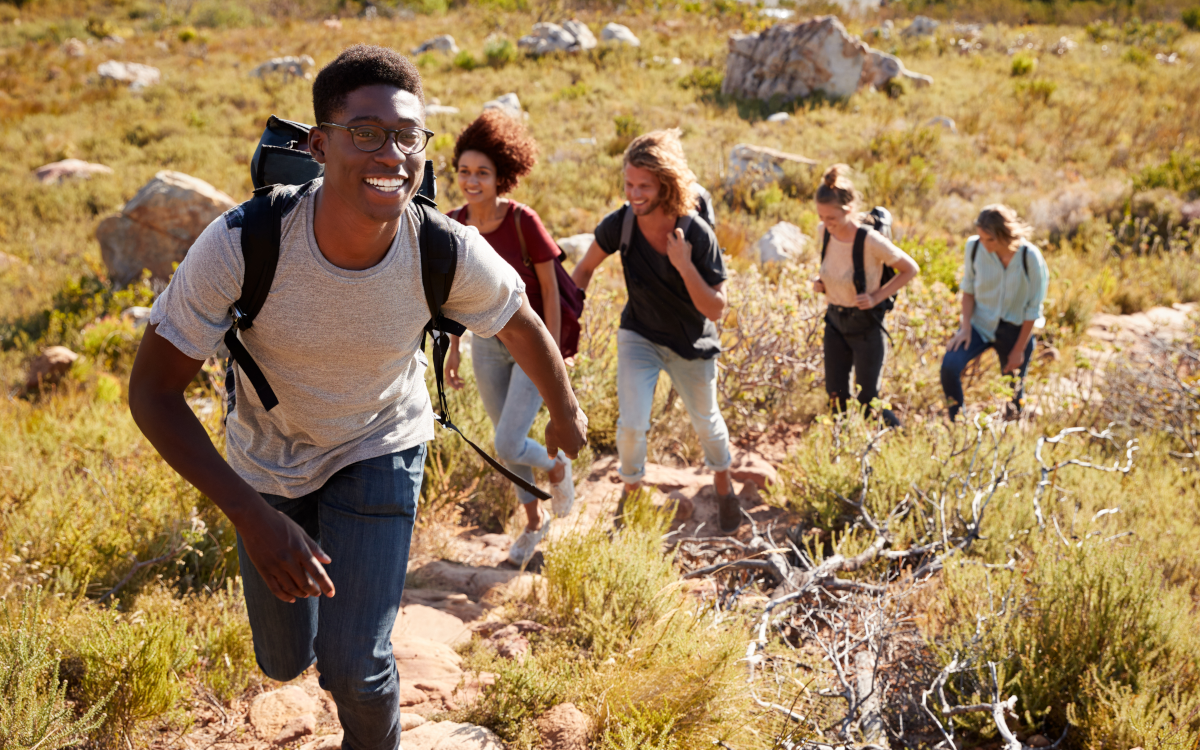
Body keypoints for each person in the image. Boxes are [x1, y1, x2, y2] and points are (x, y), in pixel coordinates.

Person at [127, 45, 586, 750]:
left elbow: (519, 320)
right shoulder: (243, 244)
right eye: (366, 132)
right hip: (267, 463)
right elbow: (152, 392)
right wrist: (251, 516)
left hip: (381, 442)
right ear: (319, 144)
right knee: (283, 660)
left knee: (358, 667)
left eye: (408, 136)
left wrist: (565, 410)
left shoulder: (442, 247)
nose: (392, 154)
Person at [571, 129, 741, 533]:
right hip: (640, 335)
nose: (634, 194)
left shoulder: (696, 232)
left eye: (644, 186)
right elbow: (584, 269)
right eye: (629, 184)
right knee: (631, 424)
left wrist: (684, 264)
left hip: (691, 344)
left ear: (666, 185)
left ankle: (723, 484)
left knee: (707, 422)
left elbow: (716, 310)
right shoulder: (623, 223)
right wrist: (565, 321)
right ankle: (630, 496)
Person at [444, 109, 575, 566]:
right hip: (484, 344)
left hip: (530, 345)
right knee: (508, 439)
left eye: (482, 172)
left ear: (502, 175)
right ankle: (534, 524)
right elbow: (450, 296)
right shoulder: (453, 225)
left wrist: (554, 353)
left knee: (507, 443)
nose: (472, 181)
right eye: (464, 172)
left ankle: (558, 468)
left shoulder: (523, 221)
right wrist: (453, 348)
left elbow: (553, 296)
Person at [812, 165, 918, 426]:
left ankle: (898, 439)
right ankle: (841, 452)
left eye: (832, 218)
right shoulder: (824, 232)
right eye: (822, 217)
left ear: (849, 210)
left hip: (866, 327)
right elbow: (834, 267)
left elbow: (909, 269)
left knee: (868, 400)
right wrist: (822, 283)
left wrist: (877, 296)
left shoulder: (870, 241)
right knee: (836, 398)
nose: (827, 223)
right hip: (835, 322)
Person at [941, 204, 1048, 421]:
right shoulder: (973, 248)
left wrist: (1018, 350)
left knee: (1013, 395)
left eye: (989, 239)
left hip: (1016, 331)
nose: (983, 243)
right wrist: (965, 327)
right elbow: (968, 290)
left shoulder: (1030, 257)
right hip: (980, 325)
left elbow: (1033, 309)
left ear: (1005, 235)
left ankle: (1010, 438)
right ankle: (958, 422)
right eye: (980, 237)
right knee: (949, 366)